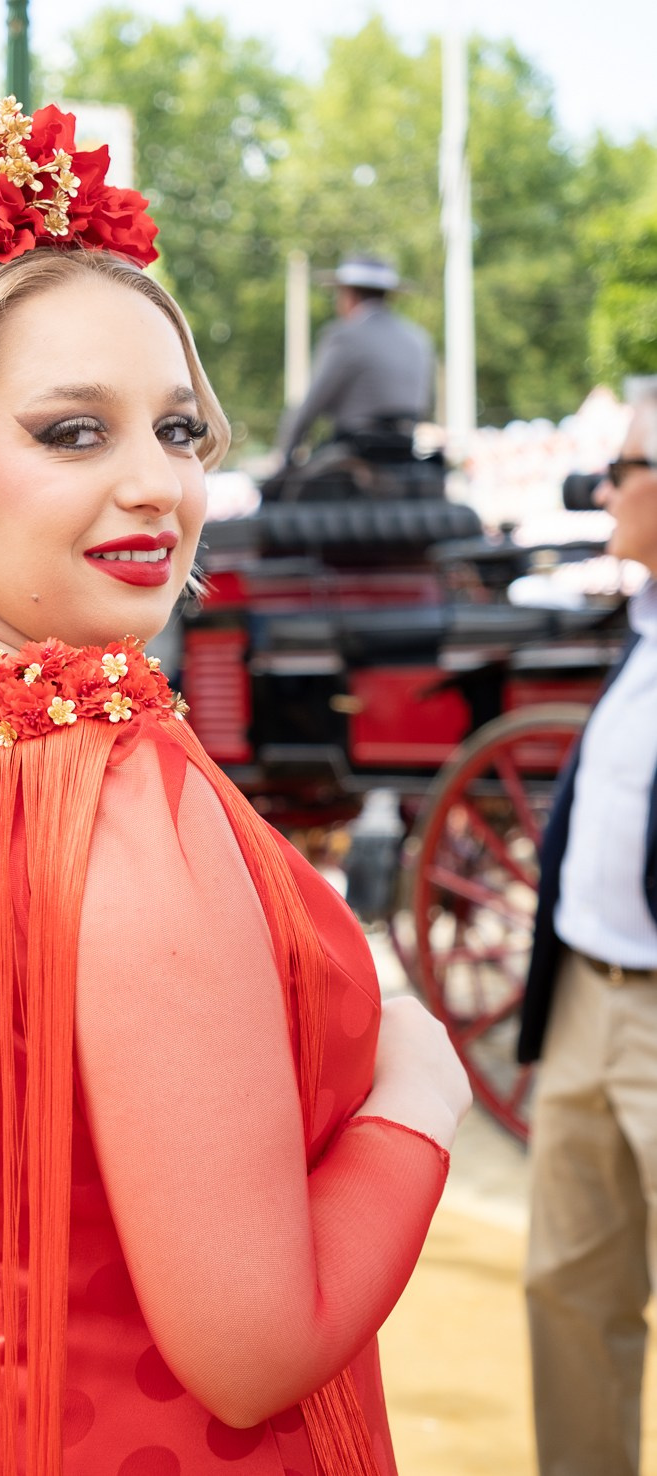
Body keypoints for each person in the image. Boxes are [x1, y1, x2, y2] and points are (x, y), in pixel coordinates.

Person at [0, 97, 470, 1475]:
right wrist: (416, 1097)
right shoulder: (127, 807)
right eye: (73, 434)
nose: (155, 486)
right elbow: (251, 1349)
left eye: (177, 431)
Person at [518, 385, 657, 1476]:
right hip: (584, 995)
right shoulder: (641, 627)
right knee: (566, 1287)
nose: (604, 491)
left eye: (624, 470)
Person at [269, 256, 435, 499]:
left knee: (279, 495)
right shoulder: (419, 340)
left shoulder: (344, 336)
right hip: (405, 451)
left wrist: (284, 457)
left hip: (356, 454)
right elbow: (425, 404)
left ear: (350, 295)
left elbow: (311, 405)